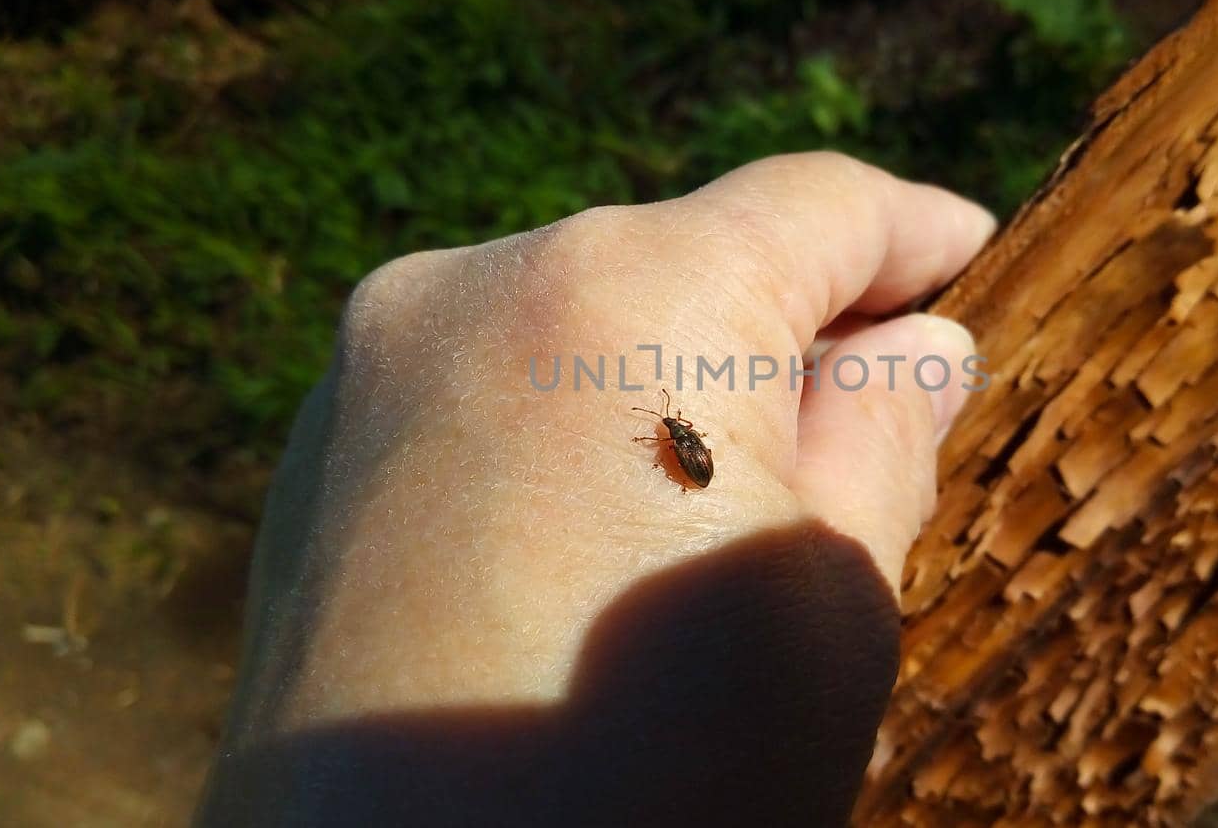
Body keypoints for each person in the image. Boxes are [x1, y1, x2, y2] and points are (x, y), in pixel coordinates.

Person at [195, 151, 995, 827]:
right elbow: (685, 452)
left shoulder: (682, 442)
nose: (675, 437)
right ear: (677, 438)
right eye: (675, 435)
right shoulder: (674, 440)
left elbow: (692, 452)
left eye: (675, 433)